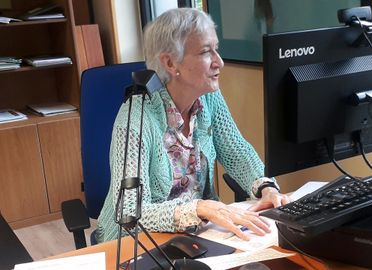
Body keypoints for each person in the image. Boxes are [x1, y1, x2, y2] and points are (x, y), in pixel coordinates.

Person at [95, 7, 290, 243]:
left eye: (216, 50)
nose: (219, 62)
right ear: (170, 62)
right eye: (206, 52)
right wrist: (197, 208)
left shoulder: (208, 98)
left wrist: (266, 187)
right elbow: (129, 215)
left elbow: (236, 150)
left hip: (199, 235)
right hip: (138, 242)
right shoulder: (136, 117)